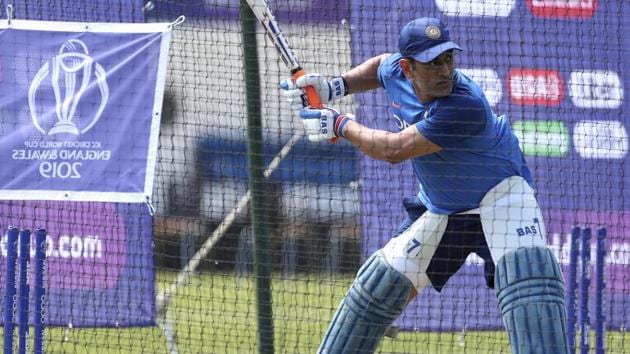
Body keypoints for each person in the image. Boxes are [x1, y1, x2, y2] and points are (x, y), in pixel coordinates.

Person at [281, 17, 569, 354]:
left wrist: (340, 124)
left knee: (532, 289)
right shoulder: (395, 68)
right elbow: (380, 67)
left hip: (501, 201)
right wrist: (337, 86)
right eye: (433, 63)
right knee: (376, 288)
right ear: (408, 67)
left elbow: (393, 150)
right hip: (443, 208)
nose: (445, 70)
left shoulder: (465, 104)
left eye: (448, 58)